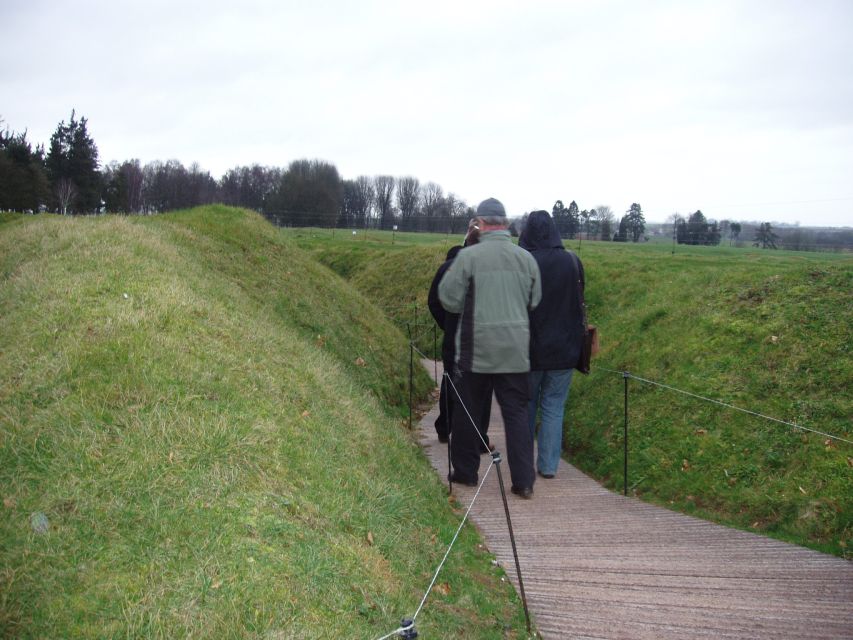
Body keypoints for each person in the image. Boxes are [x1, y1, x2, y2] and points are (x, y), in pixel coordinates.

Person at [438, 198, 541, 498]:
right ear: (506, 225)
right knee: (517, 415)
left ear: (479, 224)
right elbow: (535, 301)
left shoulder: (469, 258)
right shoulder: (526, 259)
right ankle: (524, 481)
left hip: (477, 347)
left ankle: (466, 472)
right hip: (514, 349)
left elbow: (448, 298)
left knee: (468, 410)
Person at [519, 210, 586, 479]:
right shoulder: (572, 261)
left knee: (527, 404)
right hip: (565, 348)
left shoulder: (525, 262)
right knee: (554, 406)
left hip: (531, 349)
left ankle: (523, 463)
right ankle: (548, 466)